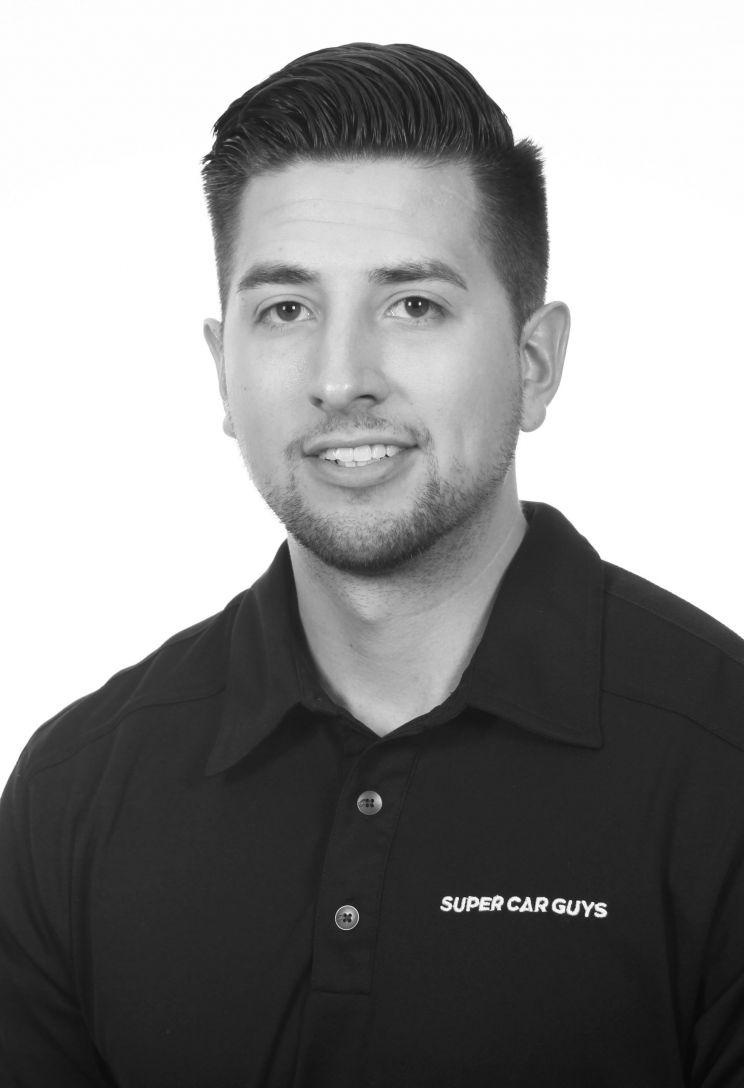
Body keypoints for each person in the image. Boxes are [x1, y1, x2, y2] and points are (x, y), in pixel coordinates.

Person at [1, 41, 742, 1088]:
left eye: (413, 304)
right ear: (222, 370)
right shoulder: (72, 791)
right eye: (286, 309)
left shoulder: (722, 767)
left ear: (534, 362)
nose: (341, 377)